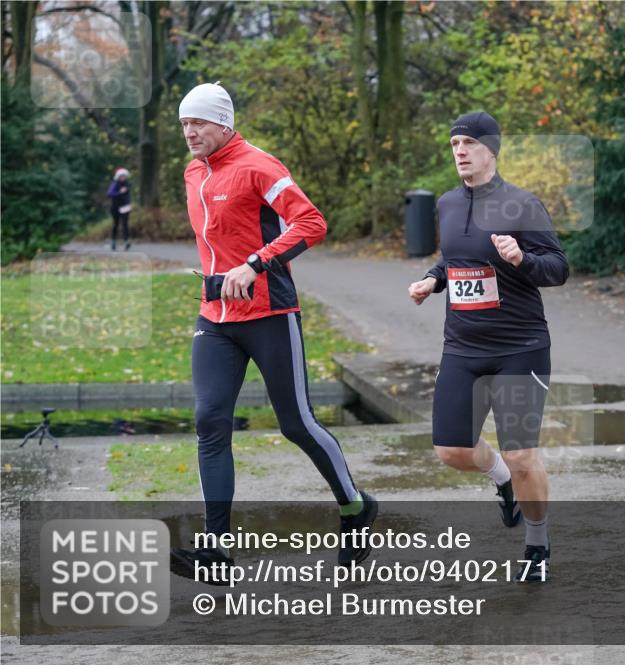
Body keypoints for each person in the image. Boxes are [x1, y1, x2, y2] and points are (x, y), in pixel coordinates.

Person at [169, 82, 377, 585]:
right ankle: (215, 551)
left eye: (198, 122)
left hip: (269, 314)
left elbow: (311, 222)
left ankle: (355, 509)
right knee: (209, 421)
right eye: (183, 124)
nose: (190, 132)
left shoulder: (261, 166)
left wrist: (255, 264)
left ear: (223, 122)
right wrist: (222, 278)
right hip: (216, 318)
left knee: (296, 423)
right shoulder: (194, 171)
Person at [407, 111, 568, 582]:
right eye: (455, 142)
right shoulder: (447, 204)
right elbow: (453, 258)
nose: (459, 150)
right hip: (462, 346)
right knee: (451, 450)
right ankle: (502, 482)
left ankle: (537, 545)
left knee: (523, 456)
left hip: (521, 346)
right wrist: (431, 281)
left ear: (491, 150)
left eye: (469, 143)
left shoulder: (523, 204)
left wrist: (521, 258)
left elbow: (558, 267)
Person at [106, 168, 131, 251]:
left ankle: (126, 242)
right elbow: (109, 194)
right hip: (115, 207)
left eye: (124, 176)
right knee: (116, 224)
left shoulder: (127, 184)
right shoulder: (115, 184)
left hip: (125, 207)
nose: (123, 178)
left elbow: (128, 196)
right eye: (121, 176)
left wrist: (129, 203)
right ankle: (113, 241)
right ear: (118, 177)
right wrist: (119, 192)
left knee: (125, 224)